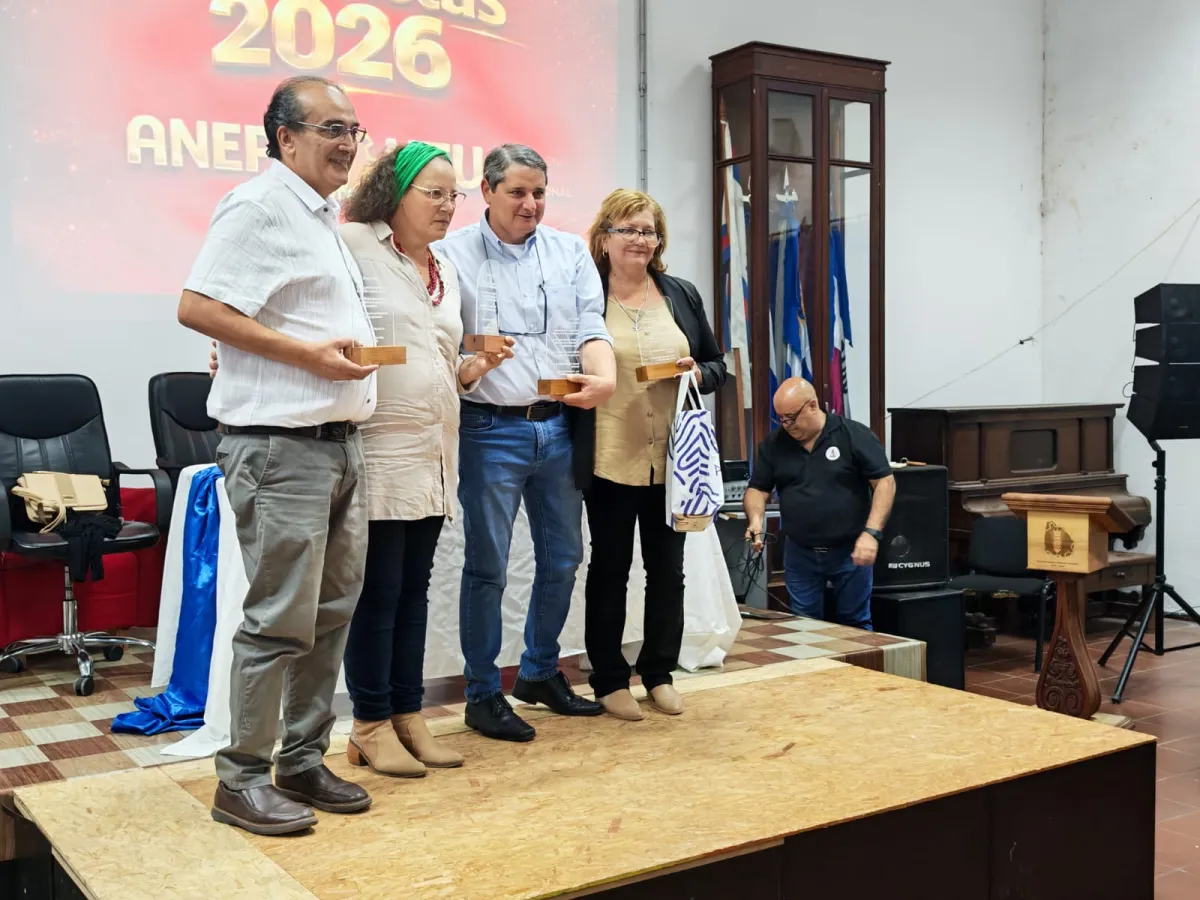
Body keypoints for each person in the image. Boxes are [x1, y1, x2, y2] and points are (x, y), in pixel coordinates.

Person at [177, 76, 377, 836]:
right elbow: (198, 307)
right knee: (277, 623)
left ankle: (300, 759)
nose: (348, 143)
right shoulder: (259, 206)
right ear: (285, 138)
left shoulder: (323, 216)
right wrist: (306, 356)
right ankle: (240, 780)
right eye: (331, 128)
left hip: (338, 444)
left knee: (327, 618)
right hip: (281, 448)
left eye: (355, 129)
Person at [338, 142, 514, 774]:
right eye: (433, 193)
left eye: (452, 195)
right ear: (396, 191)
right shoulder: (354, 244)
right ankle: (368, 723)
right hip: (379, 450)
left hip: (436, 454)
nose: (446, 206)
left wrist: (477, 367)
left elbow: (441, 364)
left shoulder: (444, 269)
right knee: (378, 593)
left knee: (416, 593)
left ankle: (409, 716)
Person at [436, 144, 616, 742]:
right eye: (517, 192)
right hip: (490, 429)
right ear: (485, 191)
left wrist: (605, 373)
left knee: (564, 558)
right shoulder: (449, 253)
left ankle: (539, 672)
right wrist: (468, 363)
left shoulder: (568, 253)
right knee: (487, 567)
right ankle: (483, 693)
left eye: (539, 192)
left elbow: (591, 328)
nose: (531, 204)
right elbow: (436, 341)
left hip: (560, 426)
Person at [572, 189, 726, 721]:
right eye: (628, 229)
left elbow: (717, 364)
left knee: (669, 571)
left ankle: (659, 672)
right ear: (605, 237)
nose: (639, 239)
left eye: (648, 230)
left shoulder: (679, 293)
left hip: (674, 463)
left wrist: (698, 374)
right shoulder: (585, 293)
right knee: (609, 570)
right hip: (610, 457)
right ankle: (610, 679)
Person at [742, 378, 895, 630]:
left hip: (850, 550)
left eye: (791, 417)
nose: (786, 425)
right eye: (780, 418)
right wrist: (756, 520)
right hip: (800, 552)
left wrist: (871, 533)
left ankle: (855, 671)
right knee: (805, 627)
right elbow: (757, 489)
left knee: (854, 623)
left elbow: (884, 483)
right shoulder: (775, 444)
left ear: (812, 406)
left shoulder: (853, 435)